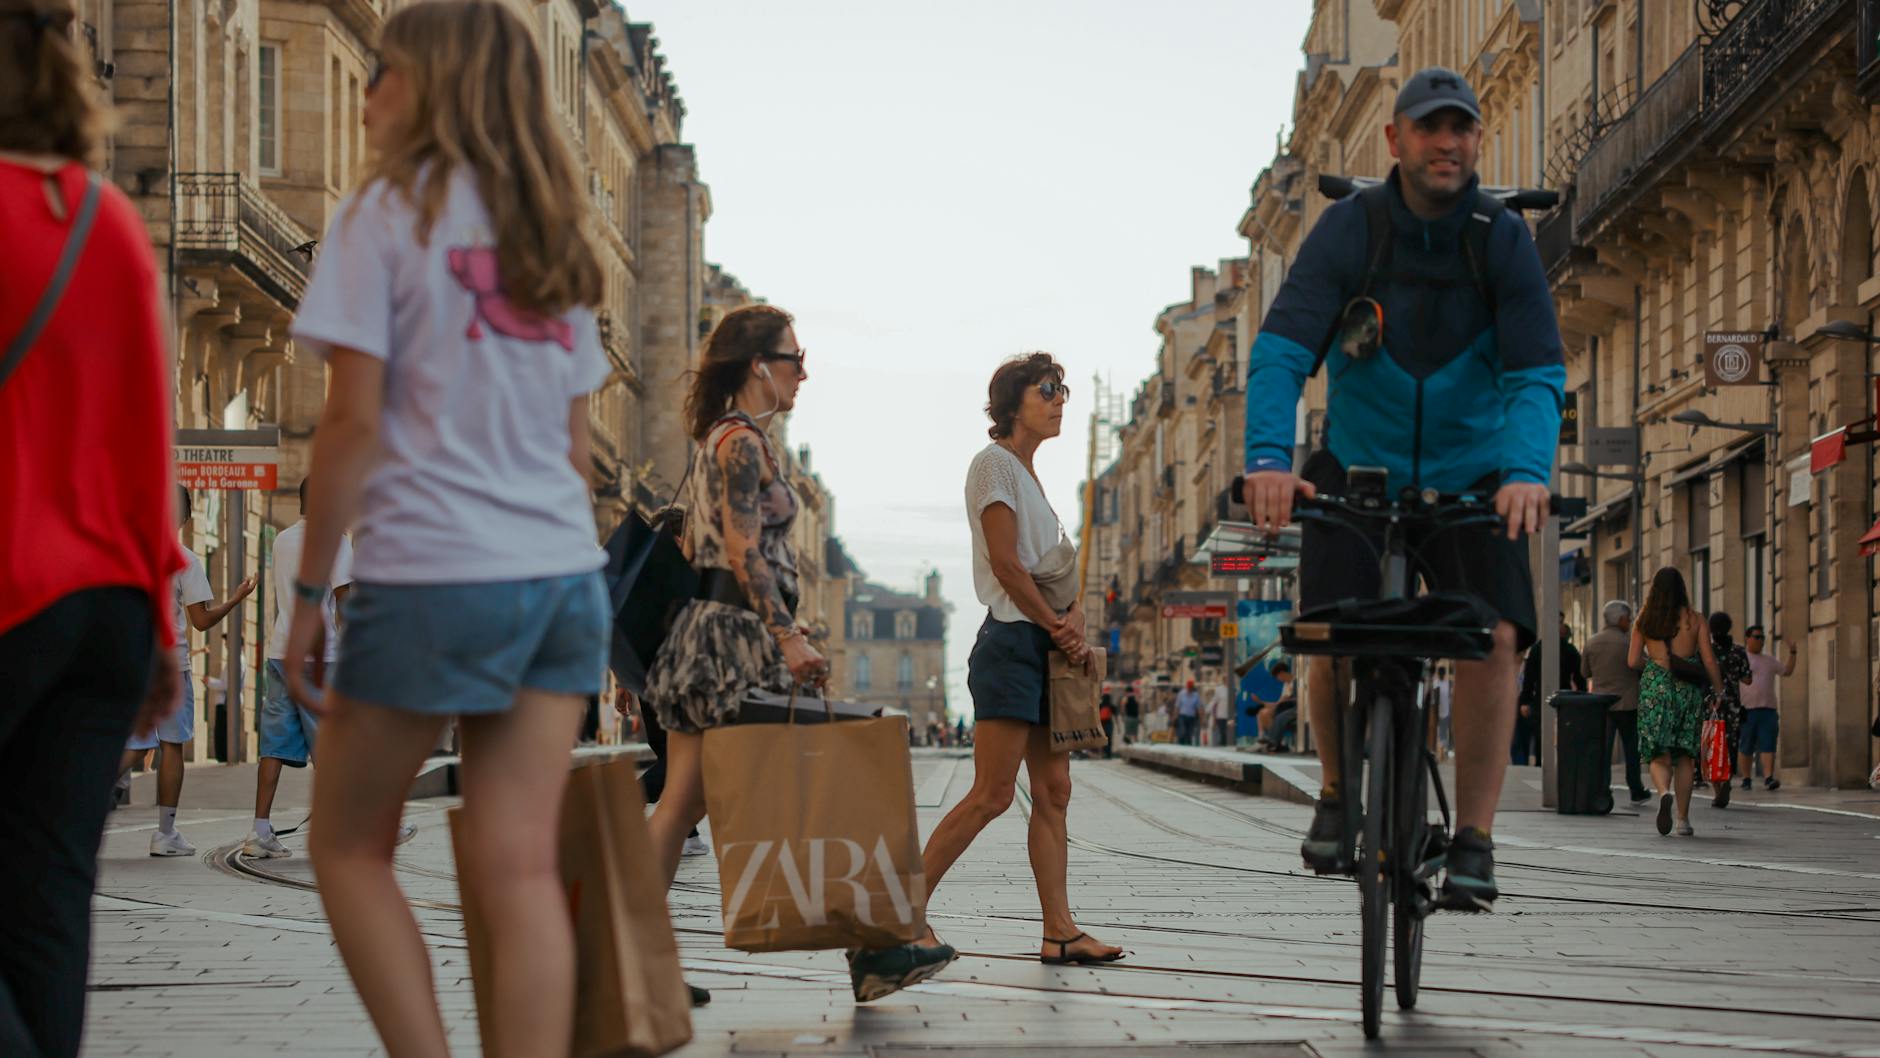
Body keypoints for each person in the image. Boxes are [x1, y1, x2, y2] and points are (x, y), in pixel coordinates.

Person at [279, 4, 620, 1052]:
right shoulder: (551, 241)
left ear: (428, 84)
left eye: (383, 70)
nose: (370, 91)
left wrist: (306, 592)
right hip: (560, 576)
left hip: (432, 570)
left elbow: (349, 420)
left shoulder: (383, 213)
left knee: (346, 844)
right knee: (519, 866)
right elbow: (574, 453)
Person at [1241, 67, 1564, 908]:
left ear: (1478, 139)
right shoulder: (1352, 229)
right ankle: (1341, 790)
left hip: (1473, 476)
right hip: (1361, 465)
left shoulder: (1500, 239)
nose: (1445, 142)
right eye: (1428, 128)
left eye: (1460, 128)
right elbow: (1282, 351)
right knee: (1322, 630)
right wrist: (1271, 460)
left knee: (1495, 639)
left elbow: (1536, 372)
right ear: (1395, 140)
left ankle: (1475, 840)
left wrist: (1527, 473)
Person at [641, 304, 955, 1003]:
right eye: (794, 358)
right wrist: (786, 633)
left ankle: (632, 960)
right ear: (760, 365)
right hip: (735, 637)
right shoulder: (741, 443)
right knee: (819, 784)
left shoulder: (721, 437)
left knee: (684, 802)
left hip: (711, 631)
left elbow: (698, 545)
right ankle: (878, 947)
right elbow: (744, 546)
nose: (803, 371)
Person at [0, 5, 181, 1048]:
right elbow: (142, 437)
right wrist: (159, 615)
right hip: (103, 614)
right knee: (49, 900)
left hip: (9, 589)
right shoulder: (99, 218)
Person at [905, 352, 1125, 974]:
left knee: (1054, 790)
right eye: (1048, 390)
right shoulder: (993, 466)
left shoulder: (1030, 479)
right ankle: (899, 913)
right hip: (1010, 643)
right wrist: (1058, 623)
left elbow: (1050, 570)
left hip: (1046, 646)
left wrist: (1073, 620)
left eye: (1063, 391)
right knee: (993, 793)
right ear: (1011, 404)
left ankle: (1060, 932)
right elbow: (1007, 565)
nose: (1060, 401)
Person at [245, 476, 384, 858]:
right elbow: (344, 600)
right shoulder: (335, 541)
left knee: (273, 745)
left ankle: (260, 829)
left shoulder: (283, 540)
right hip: (321, 658)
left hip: (281, 651)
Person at [119, 485, 255, 856]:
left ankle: (80, 799)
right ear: (185, 517)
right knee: (172, 745)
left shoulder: (134, 554)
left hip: (135, 659)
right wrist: (236, 599)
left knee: (135, 745)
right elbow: (201, 621)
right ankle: (165, 834)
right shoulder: (185, 561)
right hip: (169, 665)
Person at [1628, 568, 1722, 838]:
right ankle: (1683, 820)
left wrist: (1655, 664)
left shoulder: (1644, 620)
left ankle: (1663, 792)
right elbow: (1709, 660)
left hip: (1655, 689)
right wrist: (1718, 690)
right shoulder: (1695, 619)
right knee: (1685, 757)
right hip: (1687, 690)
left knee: (1658, 752)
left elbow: (1632, 661)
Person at [1581, 600, 1648, 804]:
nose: (1629, 623)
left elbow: (1585, 672)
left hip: (1601, 704)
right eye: (1628, 619)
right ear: (1620, 619)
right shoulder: (1629, 643)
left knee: (1603, 750)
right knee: (1631, 750)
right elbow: (1642, 666)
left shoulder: (1592, 642)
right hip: (1628, 703)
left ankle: (1602, 790)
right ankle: (1635, 789)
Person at [1515, 615, 1585, 765]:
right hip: (1543, 698)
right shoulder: (1539, 649)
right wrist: (1525, 700)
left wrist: (1581, 695)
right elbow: (1529, 678)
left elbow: (1579, 677)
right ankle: (1544, 764)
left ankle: (1557, 764)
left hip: (1562, 698)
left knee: (1560, 734)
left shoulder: (1567, 649)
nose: (1560, 626)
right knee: (1543, 735)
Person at [1737, 624, 1794, 791]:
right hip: (1747, 709)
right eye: (1756, 637)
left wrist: (1793, 652)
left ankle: (1768, 777)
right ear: (1747, 639)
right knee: (1746, 745)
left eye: (1762, 638)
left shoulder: (1769, 660)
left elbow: (1787, 671)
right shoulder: (1742, 658)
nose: (1760, 641)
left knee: (1768, 745)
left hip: (1768, 709)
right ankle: (1746, 778)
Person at [1704, 612, 1752, 807]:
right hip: (1732, 706)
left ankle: (1717, 789)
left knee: (1712, 748)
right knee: (1730, 747)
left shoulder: (1707, 651)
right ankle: (1727, 781)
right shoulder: (1738, 651)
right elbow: (1748, 679)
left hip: (1711, 705)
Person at [1254, 661, 1298, 752]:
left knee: (1278, 717)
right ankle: (1268, 740)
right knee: (1263, 713)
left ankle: (1272, 741)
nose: (1278, 679)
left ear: (1282, 673)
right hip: (1286, 707)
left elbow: (1291, 700)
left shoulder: (1296, 682)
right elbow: (1281, 701)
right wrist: (1265, 703)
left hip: (1296, 708)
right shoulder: (1286, 685)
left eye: (1278, 677)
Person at [1174, 680, 1202, 745]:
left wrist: (1201, 718)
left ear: (1192, 688)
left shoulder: (1196, 695)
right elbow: (1177, 706)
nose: (1190, 689)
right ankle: (1181, 744)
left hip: (1192, 717)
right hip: (1182, 716)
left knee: (1189, 733)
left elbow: (1198, 707)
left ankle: (1188, 745)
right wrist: (1175, 716)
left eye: (1191, 687)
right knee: (1182, 731)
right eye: (1189, 687)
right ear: (1187, 687)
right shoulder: (1181, 694)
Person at [1208, 680, 1232, 747]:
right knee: (1222, 733)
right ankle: (1222, 746)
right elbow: (1214, 704)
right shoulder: (1219, 690)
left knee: (1228, 734)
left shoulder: (1233, 690)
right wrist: (1214, 718)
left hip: (1230, 717)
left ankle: (1224, 745)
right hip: (1221, 716)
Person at [1098, 689, 1116, 758]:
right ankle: (1109, 754)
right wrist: (1119, 725)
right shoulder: (1111, 706)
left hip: (1102, 724)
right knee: (1109, 739)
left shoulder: (1100, 705)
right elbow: (1115, 716)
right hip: (1109, 723)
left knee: (1102, 739)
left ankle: (1101, 754)